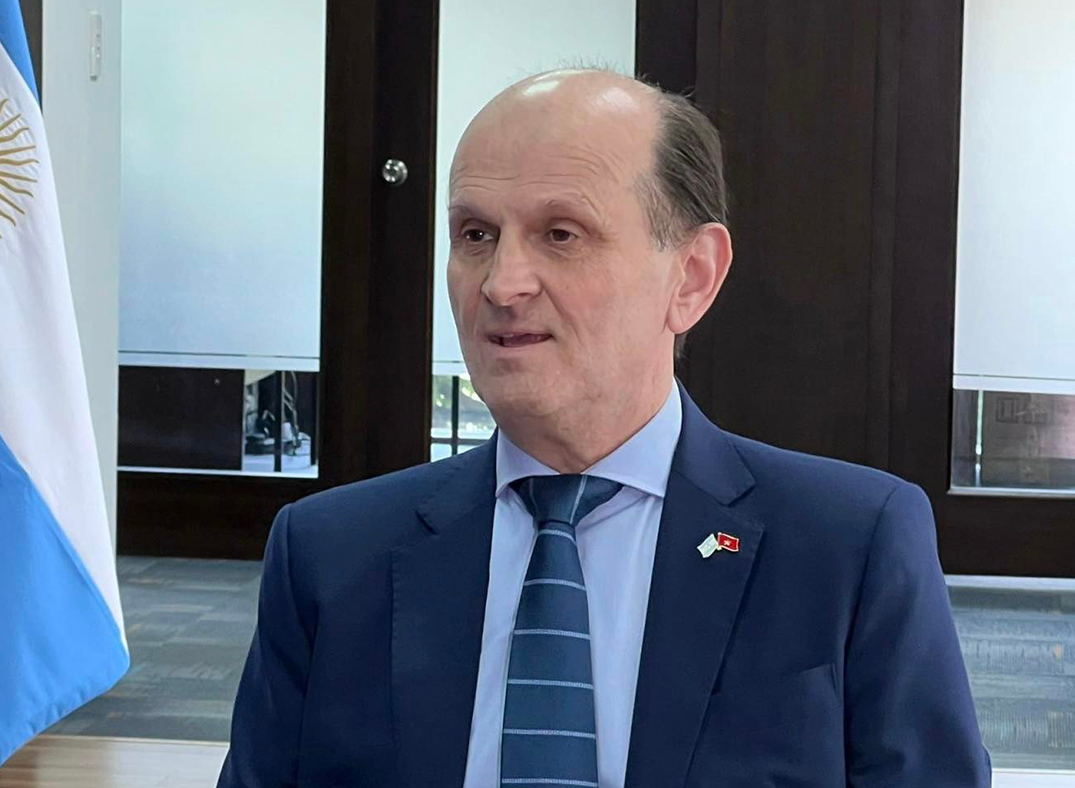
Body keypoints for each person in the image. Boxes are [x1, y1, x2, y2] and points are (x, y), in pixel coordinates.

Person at [217, 69, 990, 788]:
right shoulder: (329, 555)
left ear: (691, 278)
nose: (502, 284)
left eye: (561, 234)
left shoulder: (848, 545)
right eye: (476, 234)